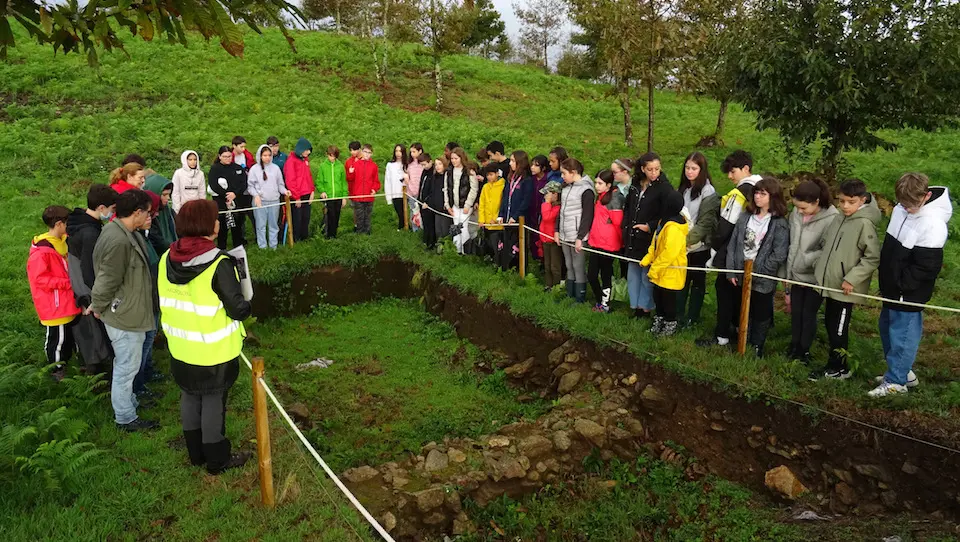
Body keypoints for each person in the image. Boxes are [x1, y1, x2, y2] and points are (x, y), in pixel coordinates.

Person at [159, 199, 252, 474]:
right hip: (214, 350)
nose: (218, 223)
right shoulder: (218, 263)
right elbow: (237, 308)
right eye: (215, 218)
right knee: (213, 401)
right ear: (205, 225)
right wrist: (247, 303)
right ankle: (217, 459)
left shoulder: (166, 258)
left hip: (181, 347)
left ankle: (195, 454)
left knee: (189, 395)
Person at [871, 173, 952, 397]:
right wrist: (887, 280)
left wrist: (901, 285)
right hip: (890, 287)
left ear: (926, 196)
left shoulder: (933, 224)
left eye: (911, 204)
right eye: (903, 203)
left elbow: (927, 267)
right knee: (887, 329)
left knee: (902, 334)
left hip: (908, 292)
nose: (906, 208)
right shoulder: (900, 210)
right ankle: (901, 372)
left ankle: (897, 383)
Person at [89, 189, 159, 432]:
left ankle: (130, 403)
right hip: (124, 315)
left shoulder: (122, 231)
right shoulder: (119, 240)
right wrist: (98, 306)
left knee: (129, 364)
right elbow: (107, 279)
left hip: (127, 310)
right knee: (126, 367)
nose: (149, 216)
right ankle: (126, 417)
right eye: (147, 212)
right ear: (137, 212)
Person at [807, 179, 879, 380]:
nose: (845, 206)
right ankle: (835, 364)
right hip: (830, 284)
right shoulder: (839, 219)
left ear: (862, 200)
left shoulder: (865, 224)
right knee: (830, 324)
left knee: (839, 328)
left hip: (845, 289)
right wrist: (819, 267)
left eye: (851, 202)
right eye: (842, 201)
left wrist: (852, 279)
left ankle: (838, 367)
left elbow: (872, 257)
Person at [699, 150, 762, 347]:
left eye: (732, 171)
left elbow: (726, 225)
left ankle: (722, 335)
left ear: (745, 169)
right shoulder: (763, 189)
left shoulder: (739, 193)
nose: (729, 176)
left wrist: (714, 248)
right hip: (752, 250)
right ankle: (739, 328)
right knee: (741, 291)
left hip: (731, 251)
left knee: (724, 289)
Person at [724, 177, 790, 358]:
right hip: (739, 272)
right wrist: (731, 270)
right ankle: (740, 340)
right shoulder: (745, 217)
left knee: (760, 312)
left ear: (773, 196)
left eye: (763, 194)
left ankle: (757, 345)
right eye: (756, 193)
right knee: (741, 308)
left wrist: (758, 272)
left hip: (762, 277)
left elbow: (778, 254)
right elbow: (734, 244)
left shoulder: (779, 223)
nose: (758, 197)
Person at [782, 178, 839, 364]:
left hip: (815, 277)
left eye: (803, 208)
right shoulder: (796, 215)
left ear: (816, 202)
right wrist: (788, 272)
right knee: (796, 312)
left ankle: (804, 350)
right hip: (795, 273)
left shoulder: (832, 219)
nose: (799, 211)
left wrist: (807, 259)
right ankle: (794, 345)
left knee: (808, 314)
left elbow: (828, 249)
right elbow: (792, 243)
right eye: (797, 207)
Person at [67, 184, 117, 375]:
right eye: (111, 209)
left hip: (79, 284)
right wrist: (99, 294)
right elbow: (89, 268)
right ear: (101, 208)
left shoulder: (79, 222)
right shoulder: (90, 233)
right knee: (98, 332)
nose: (112, 213)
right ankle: (101, 370)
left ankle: (94, 366)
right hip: (88, 288)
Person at [28, 206, 81, 381]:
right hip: (55, 304)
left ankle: (68, 360)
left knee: (68, 336)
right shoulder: (42, 252)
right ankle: (56, 368)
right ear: (59, 224)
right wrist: (68, 283)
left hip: (67, 301)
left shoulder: (64, 240)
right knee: (57, 339)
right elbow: (40, 279)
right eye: (68, 223)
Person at [622, 152, 673, 319]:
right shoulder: (636, 184)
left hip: (649, 238)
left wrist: (650, 226)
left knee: (646, 276)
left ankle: (645, 308)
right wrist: (626, 226)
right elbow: (629, 207)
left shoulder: (664, 187)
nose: (654, 173)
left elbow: (667, 212)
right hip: (632, 236)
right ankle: (635, 305)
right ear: (643, 169)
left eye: (657, 169)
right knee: (633, 274)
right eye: (650, 169)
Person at [678, 152, 719, 328]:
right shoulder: (684, 188)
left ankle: (692, 317)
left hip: (699, 245)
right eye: (687, 167)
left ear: (701, 170)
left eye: (694, 168)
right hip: (682, 242)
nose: (689, 171)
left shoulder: (708, 191)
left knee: (697, 281)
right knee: (681, 281)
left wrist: (686, 241)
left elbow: (705, 223)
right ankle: (678, 315)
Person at [640, 191, 689, 336]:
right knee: (658, 297)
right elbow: (655, 242)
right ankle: (659, 320)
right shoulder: (664, 221)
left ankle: (670, 325)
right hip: (661, 270)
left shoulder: (674, 227)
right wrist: (648, 258)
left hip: (670, 271)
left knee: (669, 300)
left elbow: (669, 252)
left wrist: (654, 268)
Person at [556, 158, 595, 303]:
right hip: (565, 232)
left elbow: (587, 215)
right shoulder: (566, 187)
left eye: (564, 173)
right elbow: (562, 210)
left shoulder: (586, 190)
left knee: (578, 266)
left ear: (573, 172)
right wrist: (557, 230)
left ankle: (580, 298)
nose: (562, 176)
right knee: (569, 264)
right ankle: (570, 294)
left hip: (578, 235)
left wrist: (580, 237)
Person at [586, 169, 625, 313]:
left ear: (609, 185)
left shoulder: (615, 199)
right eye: (596, 182)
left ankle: (605, 304)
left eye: (600, 183)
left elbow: (618, 224)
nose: (596, 186)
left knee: (605, 275)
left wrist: (622, 243)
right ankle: (600, 300)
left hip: (609, 244)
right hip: (596, 242)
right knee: (591, 275)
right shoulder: (600, 197)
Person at [497, 151, 534, 270]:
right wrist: (501, 214)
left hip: (519, 220)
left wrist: (516, 216)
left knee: (518, 246)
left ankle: (520, 271)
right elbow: (505, 197)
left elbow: (526, 201)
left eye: (513, 161)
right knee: (506, 245)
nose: (510, 163)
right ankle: (506, 268)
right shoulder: (510, 178)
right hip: (507, 218)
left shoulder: (527, 180)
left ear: (520, 163)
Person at [248, 144, 289, 249]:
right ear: (260, 156)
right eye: (265, 155)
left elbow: (280, 184)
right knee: (260, 226)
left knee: (273, 225)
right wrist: (256, 195)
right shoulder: (254, 169)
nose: (267, 157)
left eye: (269, 155)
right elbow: (250, 186)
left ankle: (273, 246)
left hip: (274, 201)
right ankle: (262, 247)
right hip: (260, 201)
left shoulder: (275, 168)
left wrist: (285, 191)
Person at [209, 146, 248, 249]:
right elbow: (213, 185)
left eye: (229, 156)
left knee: (237, 225)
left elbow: (243, 183)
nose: (227, 159)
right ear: (219, 156)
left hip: (237, 200)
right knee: (222, 226)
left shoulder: (238, 168)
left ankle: (238, 248)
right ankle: (222, 248)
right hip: (221, 201)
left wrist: (234, 194)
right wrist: (226, 195)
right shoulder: (215, 169)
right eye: (225, 156)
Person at [444, 147, 479, 254]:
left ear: (461, 158)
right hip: (454, 205)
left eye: (456, 158)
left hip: (465, 205)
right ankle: (457, 250)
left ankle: (466, 252)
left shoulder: (469, 172)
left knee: (463, 229)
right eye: (452, 159)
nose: (454, 161)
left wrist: (468, 205)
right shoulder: (449, 172)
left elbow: (474, 189)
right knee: (456, 227)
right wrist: (447, 205)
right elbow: (446, 188)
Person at [283, 138, 315, 242]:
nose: (309, 152)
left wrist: (312, 191)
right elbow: (290, 181)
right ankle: (296, 239)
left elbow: (309, 177)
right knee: (297, 218)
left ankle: (304, 238)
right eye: (307, 150)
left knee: (306, 218)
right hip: (298, 196)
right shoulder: (291, 162)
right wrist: (296, 197)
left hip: (307, 194)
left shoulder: (305, 160)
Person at [317, 145, 348, 239]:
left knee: (336, 216)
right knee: (329, 216)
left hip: (338, 196)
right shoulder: (323, 166)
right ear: (327, 154)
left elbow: (343, 182)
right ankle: (327, 235)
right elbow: (319, 181)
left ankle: (334, 236)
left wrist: (344, 197)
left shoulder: (340, 166)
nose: (332, 158)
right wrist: (322, 191)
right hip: (328, 197)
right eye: (330, 155)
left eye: (334, 156)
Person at [350, 144, 381, 235]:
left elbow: (376, 181)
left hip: (369, 196)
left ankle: (367, 232)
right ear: (362, 152)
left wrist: (374, 189)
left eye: (369, 153)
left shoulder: (374, 166)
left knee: (367, 215)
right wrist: (351, 173)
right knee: (359, 215)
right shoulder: (356, 164)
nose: (367, 154)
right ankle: (360, 233)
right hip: (358, 195)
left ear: (372, 154)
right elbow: (350, 180)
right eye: (365, 152)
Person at [144, 173, 179, 253]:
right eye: (164, 195)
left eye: (169, 194)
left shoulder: (168, 211)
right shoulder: (148, 216)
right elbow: (158, 242)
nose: (168, 198)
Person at [478, 163, 505, 260]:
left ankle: (498, 262)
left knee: (497, 244)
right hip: (486, 222)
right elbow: (482, 204)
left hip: (497, 223)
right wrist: (481, 219)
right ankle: (491, 259)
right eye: (487, 175)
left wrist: (495, 219)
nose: (489, 177)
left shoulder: (503, 186)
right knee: (489, 243)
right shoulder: (485, 187)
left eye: (491, 174)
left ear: (497, 174)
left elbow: (502, 205)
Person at [539, 181, 563, 291]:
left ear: (555, 194)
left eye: (547, 194)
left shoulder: (557, 208)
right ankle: (548, 285)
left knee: (555, 266)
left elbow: (547, 217)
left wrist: (547, 203)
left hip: (553, 239)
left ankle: (556, 287)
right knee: (547, 264)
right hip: (545, 238)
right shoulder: (548, 206)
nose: (545, 196)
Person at [527, 155, 551, 260]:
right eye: (532, 164)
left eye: (536, 165)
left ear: (543, 168)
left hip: (543, 212)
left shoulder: (547, 180)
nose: (532, 167)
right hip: (531, 212)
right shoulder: (530, 179)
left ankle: (542, 259)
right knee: (532, 236)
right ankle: (534, 257)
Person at [385, 144, 409, 231]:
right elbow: (387, 181)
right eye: (396, 151)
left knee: (406, 211)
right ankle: (402, 226)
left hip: (406, 193)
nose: (398, 153)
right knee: (399, 211)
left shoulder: (407, 164)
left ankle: (405, 227)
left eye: (400, 151)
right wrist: (388, 196)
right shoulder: (390, 165)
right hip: (395, 192)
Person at [345, 141, 362, 232]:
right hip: (353, 189)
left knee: (364, 208)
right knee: (355, 208)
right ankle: (356, 225)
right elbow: (347, 176)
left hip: (363, 189)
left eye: (354, 150)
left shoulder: (365, 159)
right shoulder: (348, 162)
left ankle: (364, 225)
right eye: (351, 150)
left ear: (359, 149)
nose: (352, 152)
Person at [406, 143, 424, 232]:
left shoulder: (423, 163)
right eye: (411, 152)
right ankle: (415, 229)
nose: (412, 154)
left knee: (421, 211)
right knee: (413, 211)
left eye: (414, 151)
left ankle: (422, 228)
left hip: (421, 191)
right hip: (411, 191)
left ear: (420, 151)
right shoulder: (409, 164)